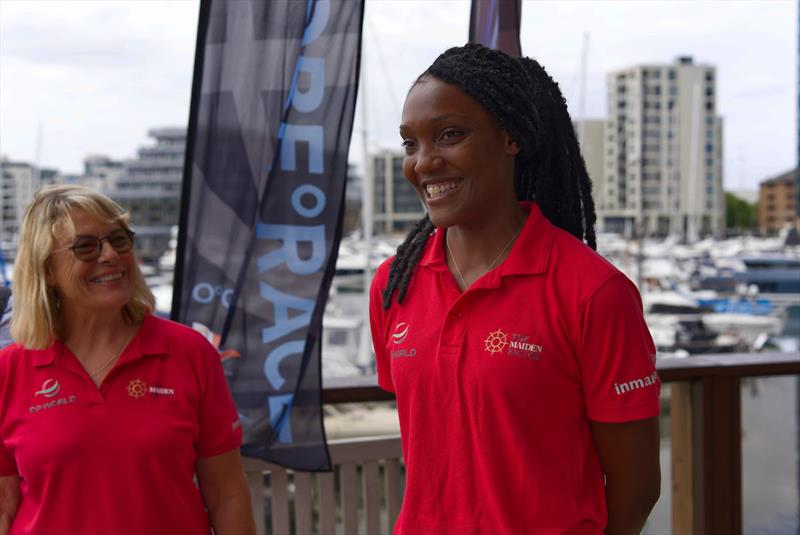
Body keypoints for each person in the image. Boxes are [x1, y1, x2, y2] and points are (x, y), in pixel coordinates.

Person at [369, 44, 661, 535]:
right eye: (410, 143)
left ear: (511, 138)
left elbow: (636, 489)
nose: (423, 162)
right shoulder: (392, 284)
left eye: (449, 135)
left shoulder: (595, 292)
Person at [0, 185, 256, 535]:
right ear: (46, 269)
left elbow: (227, 495)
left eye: (118, 240)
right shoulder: (9, 371)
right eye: (86, 247)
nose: (110, 255)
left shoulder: (190, 353)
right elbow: (4, 504)